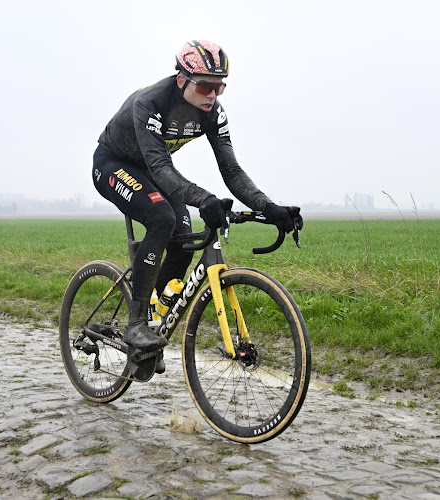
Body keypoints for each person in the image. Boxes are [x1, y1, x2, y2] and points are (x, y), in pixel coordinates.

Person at [92, 40, 302, 370]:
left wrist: (269, 206)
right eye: (205, 86)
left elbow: (231, 171)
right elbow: (161, 167)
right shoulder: (151, 102)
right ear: (182, 80)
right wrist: (203, 198)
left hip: (151, 169)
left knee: (186, 235)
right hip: (113, 164)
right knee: (162, 217)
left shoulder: (212, 113)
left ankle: (153, 317)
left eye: (219, 87)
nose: (212, 95)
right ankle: (135, 325)